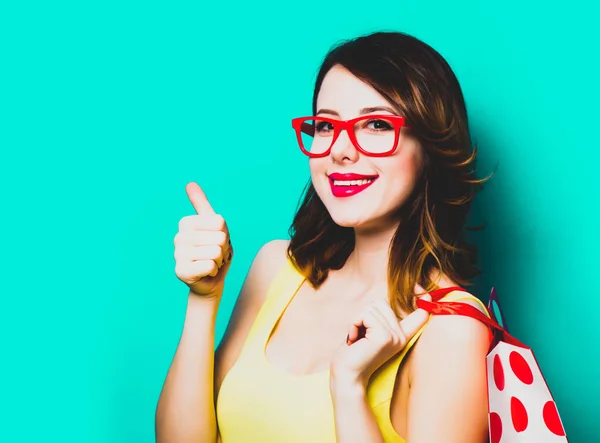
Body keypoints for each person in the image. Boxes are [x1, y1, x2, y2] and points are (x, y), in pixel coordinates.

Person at [155, 31, 492, 443]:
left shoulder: (451, 328)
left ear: (430, 147)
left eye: (376, 124)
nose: (340, 150)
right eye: (327, 125)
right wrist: (204, 298)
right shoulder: (277, 267)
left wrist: (349, 389)